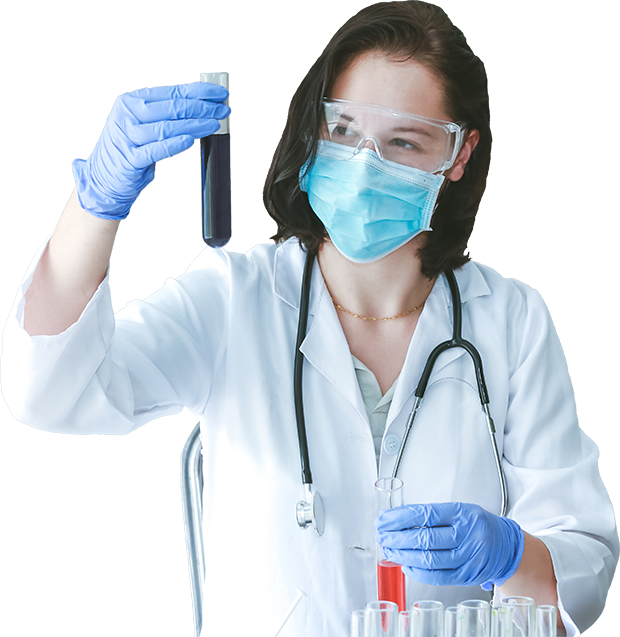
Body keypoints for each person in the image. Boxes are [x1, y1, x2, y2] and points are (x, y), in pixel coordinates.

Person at [1, 2, 617, 636]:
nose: (364, 165)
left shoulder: (510, 323)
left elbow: (586, 565)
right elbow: (47, 391)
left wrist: (513, 554)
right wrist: (96, 206)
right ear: (313, 129)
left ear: (459, 155)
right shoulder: (234, 298)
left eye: (404, 142)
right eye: (344, 130)